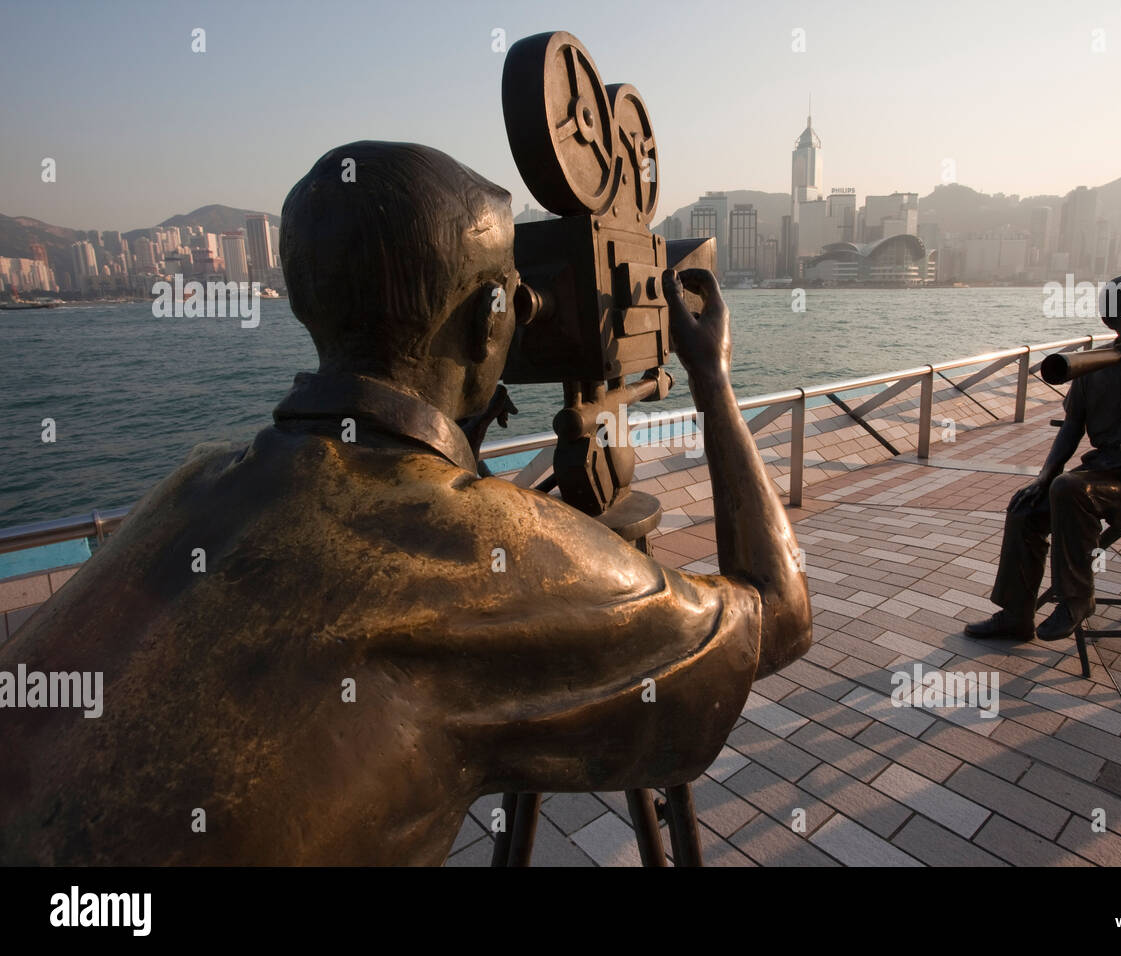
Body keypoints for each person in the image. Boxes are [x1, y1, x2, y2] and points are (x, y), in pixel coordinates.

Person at [0, 142, 810, 865]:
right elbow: (779, 613)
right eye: (510, 296)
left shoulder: (192, 485)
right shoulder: (484, 550)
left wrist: (455, 418)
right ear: (488, 322)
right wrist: (713, 378)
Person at [965, 275, 1121, 643]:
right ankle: (1016, 615)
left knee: (1070, 489)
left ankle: (1077, 599)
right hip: (1102, 473)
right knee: (1026, 506)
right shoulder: (1093, 364)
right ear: (1110, 319)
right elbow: (1072, 426)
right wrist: (1044, 477)